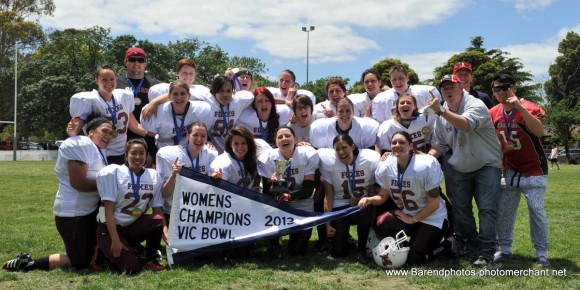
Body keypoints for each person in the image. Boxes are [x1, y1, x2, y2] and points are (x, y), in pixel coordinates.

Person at [3, 117, 113, 272]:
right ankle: (27, 263)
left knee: (94, 255)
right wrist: (111, 188)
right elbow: (79, 183)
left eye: (111, 133)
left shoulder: (97, 150)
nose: (109, 135)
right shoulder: (81, 143)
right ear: (91, 132)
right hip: (74, 213)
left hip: (88, 211)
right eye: (105, 131)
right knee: (79, 261)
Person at [427, 74, 502, 267]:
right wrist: (424, 159)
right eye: (444, 88)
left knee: (486, 210)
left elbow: (466, 125)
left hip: (486, 165)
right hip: (459, 167)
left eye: (452, 86)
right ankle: (471, 247)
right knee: (461, 210)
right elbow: (440, 145)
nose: (448, 91)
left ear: (461, 87)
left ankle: (486, 253)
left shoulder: (475, 104)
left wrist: (441, 110)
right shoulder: (441, 116)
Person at [488, 72, 550, 266]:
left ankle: (541, 252)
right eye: (496, 89)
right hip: (509, 169)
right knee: (505, 210)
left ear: (514, 88)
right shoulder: (493, 113)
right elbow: (494, 143)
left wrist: (520, 108)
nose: (501, 92)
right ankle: (504, 249)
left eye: (505, 87)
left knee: (536, 209)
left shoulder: (530, 107)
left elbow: (539, 131)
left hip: (534, 168)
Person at [359, 131, 448, 266]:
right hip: (407, 215)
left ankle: (447, 245)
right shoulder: (386, 167)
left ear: (411, 146)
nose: (397, 145)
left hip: (432, 219)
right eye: (394, 142)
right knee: (383, 222)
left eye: (402, 142)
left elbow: (434, 204)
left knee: (415, 259)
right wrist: (370, 199)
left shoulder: (425, 165)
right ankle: (409, 244)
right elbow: (383, 196)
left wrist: (412, 219)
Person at [95, 138, 166, 273]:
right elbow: (108, 211)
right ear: (126, 155)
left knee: (157, 220)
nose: (138, 157)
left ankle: (151, 259)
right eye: (133, 153)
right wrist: (115, 240)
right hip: (110, 229)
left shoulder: (153, 175)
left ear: (146, 156)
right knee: (131, 269)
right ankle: (101, 249)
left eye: (141, 153)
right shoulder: (114, 172)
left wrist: (165, 230)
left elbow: (157, 209)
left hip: (132, 226)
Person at [67, 63, 149, 165]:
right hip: (98, 152)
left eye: (112, 79)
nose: (109, 82)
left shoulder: (124, 96)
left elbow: (134, 125)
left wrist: (152, 132)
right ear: (97, 80)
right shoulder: (89, 100)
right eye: (104, 79)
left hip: (120, 152)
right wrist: (72, 131)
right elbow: (75, 129)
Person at [318, 134, 380, 263]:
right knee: (338, 253)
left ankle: (362, 249)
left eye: (344, 147)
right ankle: (345, 240)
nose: (341, 152)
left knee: (365, 210)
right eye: (337, 149)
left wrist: (373, 218)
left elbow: (371, 189)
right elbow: (328, 195)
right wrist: (328, 224)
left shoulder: (368, 160)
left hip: (361, 203)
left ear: (353, 147)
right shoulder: (330, 163)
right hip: (341, 206)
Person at [258, 126, 319, 256]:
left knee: (297, 251)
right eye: (280, 137)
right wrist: (274, 183)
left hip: (301, 201)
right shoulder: (269, 157)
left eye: (287, 135)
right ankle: (274, 242)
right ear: (276, 142)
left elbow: (308, 190)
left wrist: (289, 196)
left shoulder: (307, 154)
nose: (284, 138)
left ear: (295, 139)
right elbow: (268, 193)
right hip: (280, 203)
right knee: (270, 208)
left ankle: (294, 236)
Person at [156, 122, 218, 221]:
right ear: (188, 136)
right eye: (195, 135)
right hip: (175, 211)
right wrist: (174, 175)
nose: (199, 139)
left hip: (199, 211)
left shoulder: (210, 155)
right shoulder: (171, 155)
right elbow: (164, 194)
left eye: (203, 136)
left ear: (207, 138)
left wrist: (215, 178)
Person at [116, 47, 160, 162]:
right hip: (122, 135)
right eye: (132, 59)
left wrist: (155, 102)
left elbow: (174, 93)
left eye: (140, 60)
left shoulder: (155, 84)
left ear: (145, 63)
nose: (136, 63)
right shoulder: (115, 82)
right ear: (126, 61)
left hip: (149, 135)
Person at [141, 80, 211, 149]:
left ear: (189, 95)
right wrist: (155, 156)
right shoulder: (159, 111)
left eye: (183, 93)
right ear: (169, 96)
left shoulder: (201, 110)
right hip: (163, 150)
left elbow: (203, 134)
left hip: (189, 151)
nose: (179, 97)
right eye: (175, 94)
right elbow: (150, 137)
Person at [372, 65, 442, 123]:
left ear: (407, 78)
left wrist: (422, 114)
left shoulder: (426, 91)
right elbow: (380, 123)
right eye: (394, 79)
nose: (398, 82)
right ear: (390, 81)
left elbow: (437, 111)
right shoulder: (381, 99)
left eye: (400, 78)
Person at [310, 98, 379, 150]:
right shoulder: (322, 128)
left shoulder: (366, 127)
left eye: (348, 110)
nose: (344, 114)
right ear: (336, 113)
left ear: (353, 113)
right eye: (341, 111)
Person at [210, 126, 260, 191]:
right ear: (231, 144)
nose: (240, 147)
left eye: (243, 143)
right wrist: (217, 180)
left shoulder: (255, 157)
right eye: (236, 144)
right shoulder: (223, 162)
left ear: (248, 144)